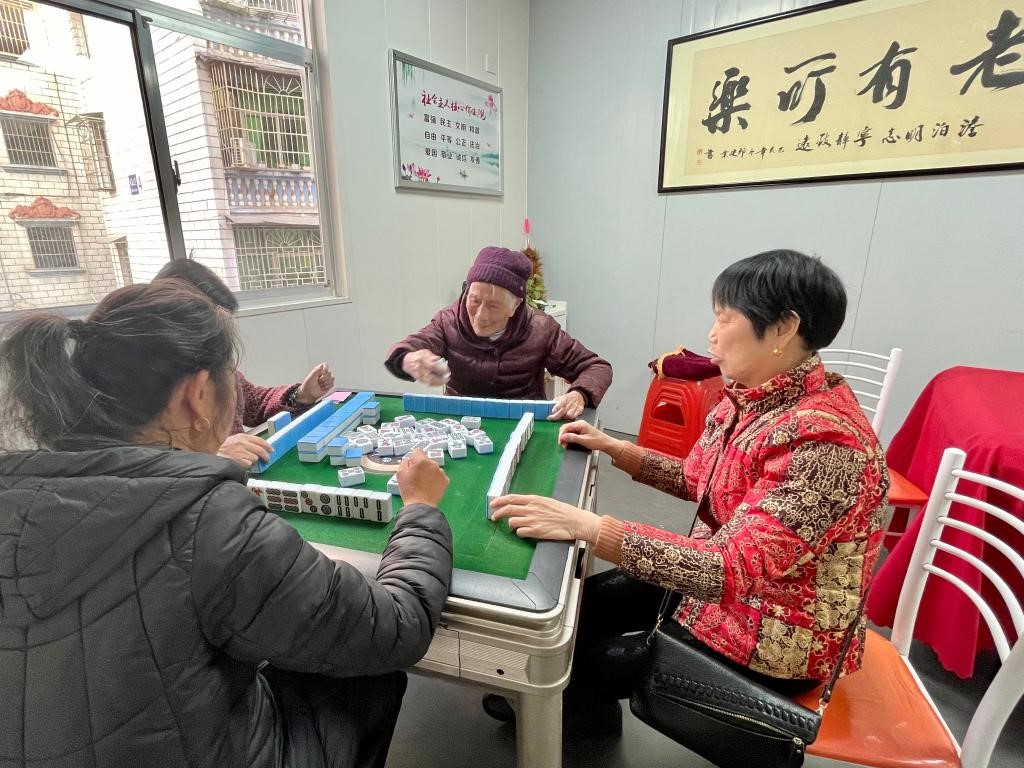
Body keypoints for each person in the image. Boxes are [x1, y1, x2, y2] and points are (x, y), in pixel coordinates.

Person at [0, 280, 454, 768]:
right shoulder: (211, 522)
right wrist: (420, 509)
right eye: (229, 384)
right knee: (364, 675)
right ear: (197, 395)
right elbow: (395, 627)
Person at [485, 249, 889, 734]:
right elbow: (700, 479)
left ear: (783, 328)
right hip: (723, 590)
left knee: (581, 669)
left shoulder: (826, 443)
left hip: (776, 638)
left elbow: (729, 569)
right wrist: (615, 448)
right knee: (585, 608)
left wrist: (589, 527)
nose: (712, 334)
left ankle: (586, 709)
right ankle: (585, 706)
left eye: (725, 318)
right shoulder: (749, 396)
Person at [384, 246, 613, 420]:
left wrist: (579, 394)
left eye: (493, 306)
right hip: (460, 421)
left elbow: (597, 367)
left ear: (516, 306)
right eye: (475, 300)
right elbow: (413, 345)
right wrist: (407, 358)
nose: (481, 316)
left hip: (523, 421)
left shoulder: (541, 328)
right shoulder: (448, 320)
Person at [155, 258, 336, 469]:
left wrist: (301, 395)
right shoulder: (146, 382)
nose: (220, 337)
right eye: (213, 327)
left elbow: (253, 404)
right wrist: (210, 454)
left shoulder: (218, 364)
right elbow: (138, 459)